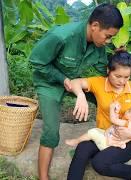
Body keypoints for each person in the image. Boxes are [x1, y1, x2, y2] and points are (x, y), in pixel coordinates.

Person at [29, 3, 123, 180]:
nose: (108, 41)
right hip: (49, 83)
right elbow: (36, 61)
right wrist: (63, 80)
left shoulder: (98, 44)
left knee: (108, 99)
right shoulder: (62, 36)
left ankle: (114, 138)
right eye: (108, 36)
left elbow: (105, 72)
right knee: (50, 131)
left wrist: (119, 62)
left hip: (74, 82)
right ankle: (43, 177)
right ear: (95, 26)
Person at [67, 50, 131, 180]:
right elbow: (74, 82)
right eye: (118, 76)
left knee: (99, 163)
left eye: (126, 77)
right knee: (82, 148)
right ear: (108, 70)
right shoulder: (98, 83)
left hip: (126, 142)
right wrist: (81, 95)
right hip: (102, 134)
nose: (122, 81)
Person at [65, 102, 131, 150]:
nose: (126, 111)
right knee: (97, 130)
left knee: (92, 132)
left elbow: (114, 120)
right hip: (109, 138)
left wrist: (111, 108)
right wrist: (117, 111)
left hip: (106, 143)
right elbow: (117, 122)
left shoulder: (127, 124)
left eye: (129, 111)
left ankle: (76, 141)